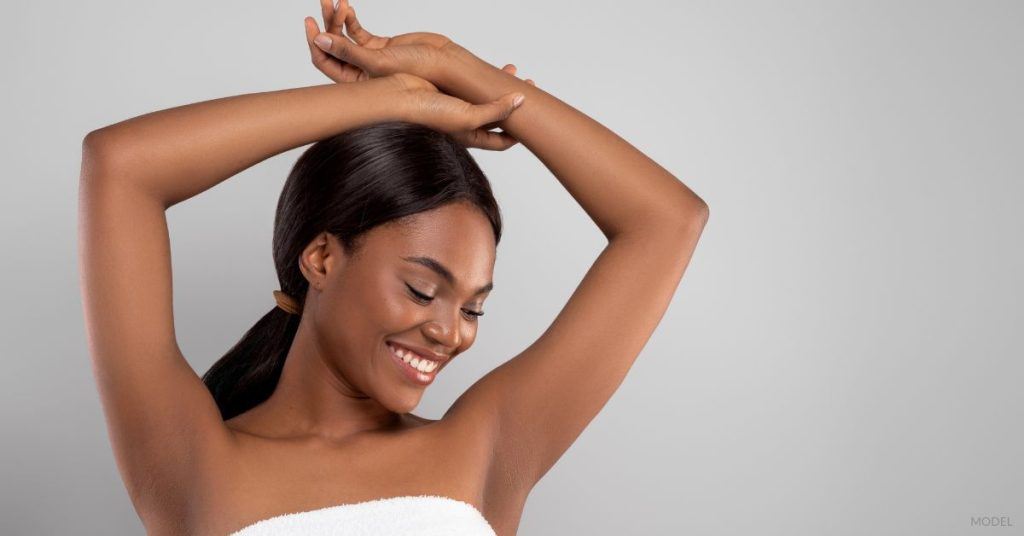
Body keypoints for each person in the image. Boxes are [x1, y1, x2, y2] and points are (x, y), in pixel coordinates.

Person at [77, 1, 709, 534]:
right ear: (322, 258)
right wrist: (393, 104)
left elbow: (668, 220)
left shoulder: (486, 446)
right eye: (421, 288)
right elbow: (120, 166)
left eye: (472, 307)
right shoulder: (193, 460)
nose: (450, 332)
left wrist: (448, 64)